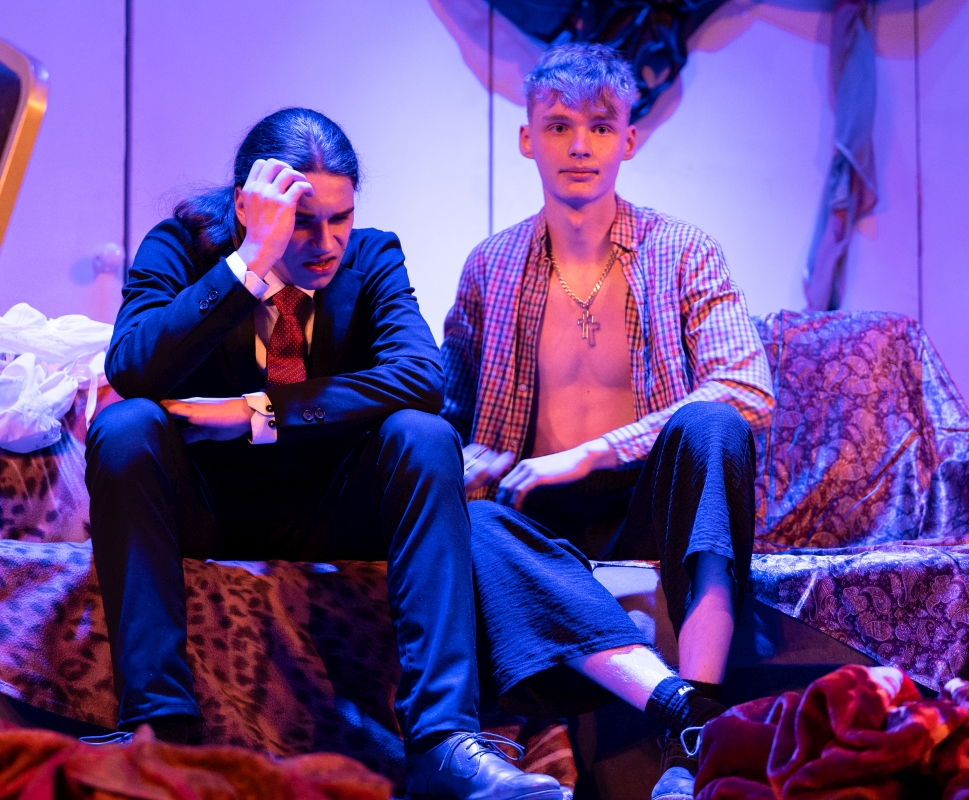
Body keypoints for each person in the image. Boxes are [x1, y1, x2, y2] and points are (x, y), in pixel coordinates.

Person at [86, 108, 560, 800]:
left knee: (425, 436)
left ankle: (442, 742)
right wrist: (249, 262)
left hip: (329, 504)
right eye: (303, 222)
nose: (327, 242)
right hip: (207, 502)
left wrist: (256, 413)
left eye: (340, 218)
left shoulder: (372, 257)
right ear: (251, 205)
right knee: (126, 427)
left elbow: (419, 375)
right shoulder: (183, 248)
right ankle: (159, 730)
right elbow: (131, 366)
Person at [442, 44, 774, 800]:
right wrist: (465, 455)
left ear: (629, 139)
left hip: (647, 506)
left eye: (599, 127)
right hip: (535, 517)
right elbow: (444, 415)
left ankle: (689, 741)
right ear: (526, 139)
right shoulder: (490, 266)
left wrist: (590, 453)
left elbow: (746, 388)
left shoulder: (682, 250)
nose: (580, 146)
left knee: (716, 426)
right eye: (559, 126)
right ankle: (689, 717)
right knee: (471, 517)